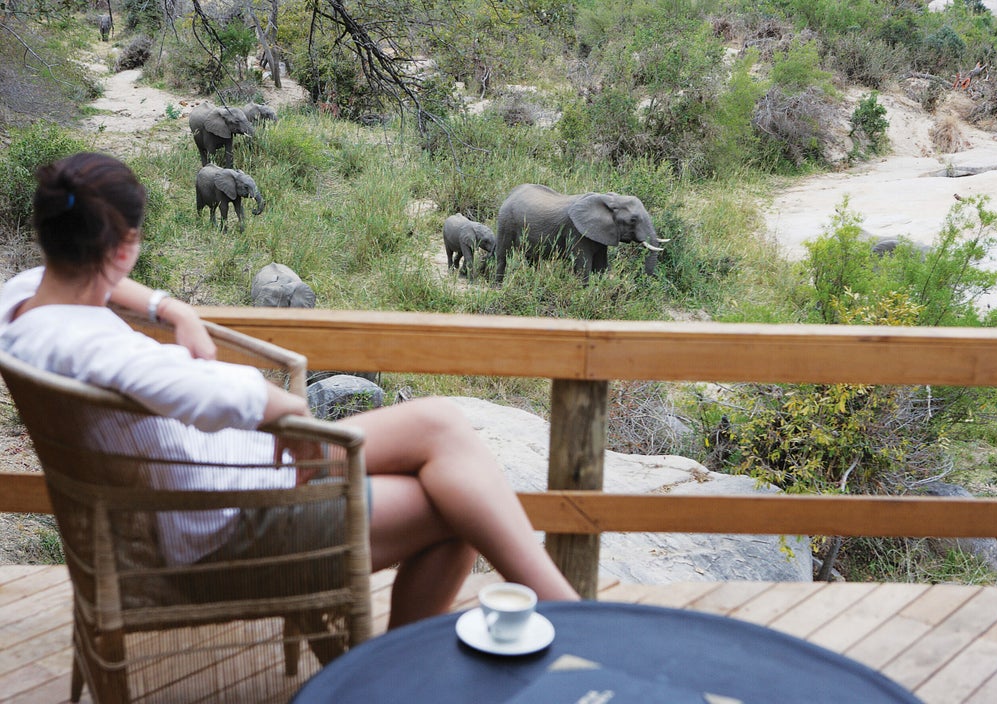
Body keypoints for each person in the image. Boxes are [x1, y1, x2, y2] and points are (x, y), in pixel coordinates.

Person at [0, 152, 578, 629]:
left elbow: (110, 293)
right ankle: (440, 663)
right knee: (456, 508)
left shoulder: (24, 303)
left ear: (48, 234)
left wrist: (167, 306)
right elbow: (225, 396)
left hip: (219, 481)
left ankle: (564, 610)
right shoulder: (102, 352)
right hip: (224, 523)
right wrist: (288, 409)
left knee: (440, 424)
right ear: (124, 247)